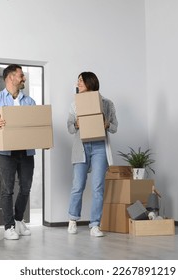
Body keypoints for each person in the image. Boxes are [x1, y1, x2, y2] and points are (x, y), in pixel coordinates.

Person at [0, 64, 35, 240]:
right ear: (11, 77)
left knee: (26, 187)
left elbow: (36, 126)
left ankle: (19, 220)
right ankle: (9, 227)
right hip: (5, 152)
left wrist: (43, 139)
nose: (24, 78)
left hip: (26, 151)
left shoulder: (29, 102)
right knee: (7, 189)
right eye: (21, 75)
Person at [67, 72, 118, 237]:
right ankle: (73, 220)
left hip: (99, 147)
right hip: (81, 147)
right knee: (78, 185)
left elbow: (115, 127)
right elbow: (69, 127)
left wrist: (107, 123)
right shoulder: (75, 104)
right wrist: (76, 124)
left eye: (81, 80)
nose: (78, 83)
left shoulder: (107, 104)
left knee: (98, 187)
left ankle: (95, 224)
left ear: (90, 82)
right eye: (78, 80)